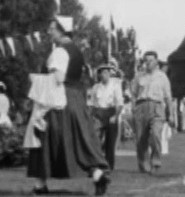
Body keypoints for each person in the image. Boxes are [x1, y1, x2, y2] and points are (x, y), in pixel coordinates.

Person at [26, 16, 110, 196]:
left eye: (52, 28)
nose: (49, 32)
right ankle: (97, 175)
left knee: (46, 139)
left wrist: (35, 79)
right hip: (74, 99)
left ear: (61, 30)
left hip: (59, 100)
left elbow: (58, 78)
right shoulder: (77, 52)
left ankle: (40, 185)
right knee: (76, 140)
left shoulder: (60, 51)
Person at [131, 51, 175, 175]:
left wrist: (171, 114)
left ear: (156, 61)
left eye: (150, 60)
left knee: (155, 134)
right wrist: (133, 109)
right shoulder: (139, 76)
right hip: (141, 106)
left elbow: (168, 97)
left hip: (157, 106)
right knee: (140, 139)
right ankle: (144, 166)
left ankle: (155, 162)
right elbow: (133, 94)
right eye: (145, 60)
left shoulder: (162, 77)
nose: (147, 63)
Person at [90, 62, 123, 170]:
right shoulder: (96, 87)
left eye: (106, 72)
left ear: (109, 73)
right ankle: (96, 164)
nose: (104, 75)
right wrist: (92, 116)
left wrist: (115, 116)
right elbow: (92, 104)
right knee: (95, 139)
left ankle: (109, 165)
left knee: (110, 141)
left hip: (111, 113)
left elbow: (119, 103)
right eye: (102, 73)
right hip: (99, 114)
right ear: (99, 75)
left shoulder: (115, 86)